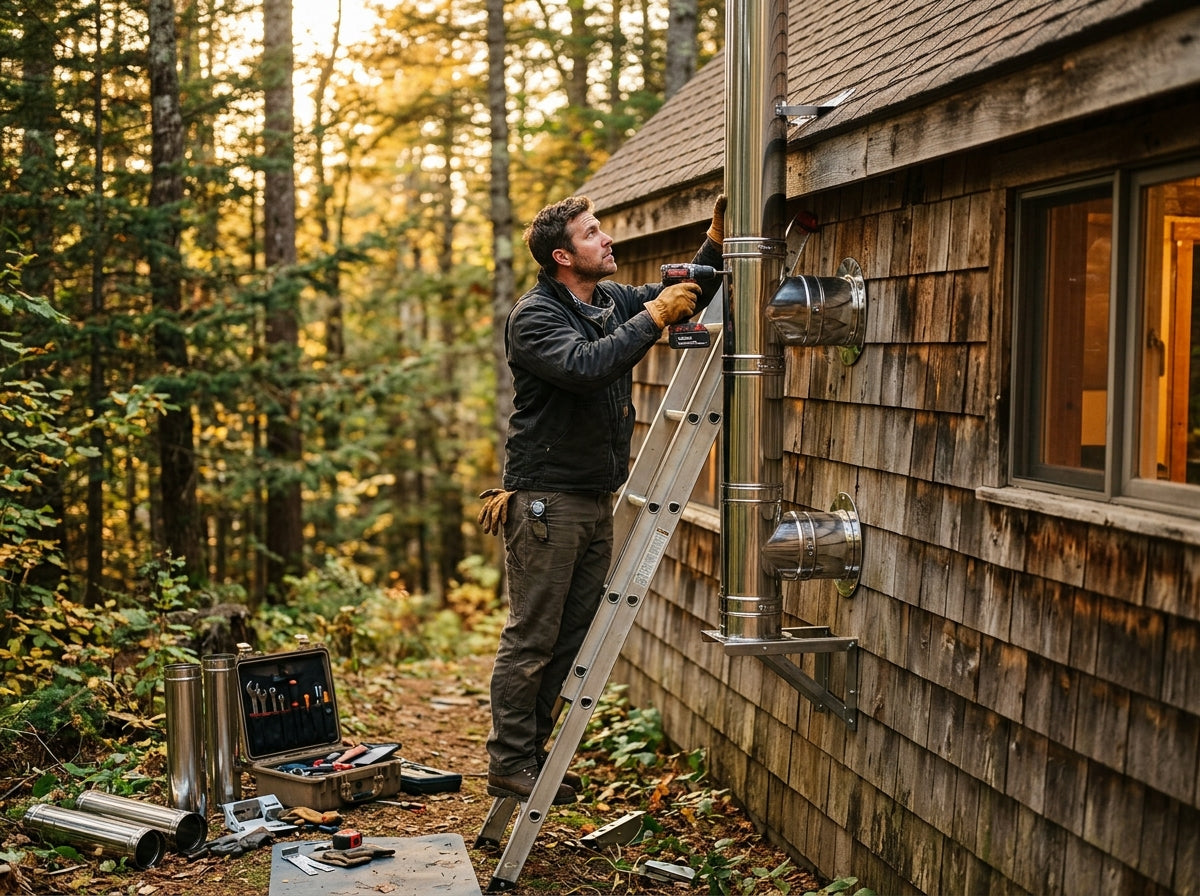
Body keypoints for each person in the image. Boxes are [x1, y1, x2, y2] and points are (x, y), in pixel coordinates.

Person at [477, 194, 726, 804]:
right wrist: (654, 319)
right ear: (564, 257)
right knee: (533, 635)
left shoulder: (608, 300)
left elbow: (688, 289)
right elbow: (587, 366)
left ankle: (530, 757)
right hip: (545, 501)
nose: (607, 239)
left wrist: (715, 241)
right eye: (593, 234)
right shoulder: (535, 317)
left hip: (591, 497)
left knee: (571, 635)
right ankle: (509, 761)